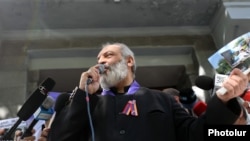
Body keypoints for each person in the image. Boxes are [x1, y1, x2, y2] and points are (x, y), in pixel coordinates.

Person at [44, 42, 248, 141]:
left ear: (129, 61)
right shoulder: (87, 103)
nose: (101, 62)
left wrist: (222, 99)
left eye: (108, 55)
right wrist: (83, 95)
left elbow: (196, 134)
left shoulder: (162, 100)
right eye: (98, 60)